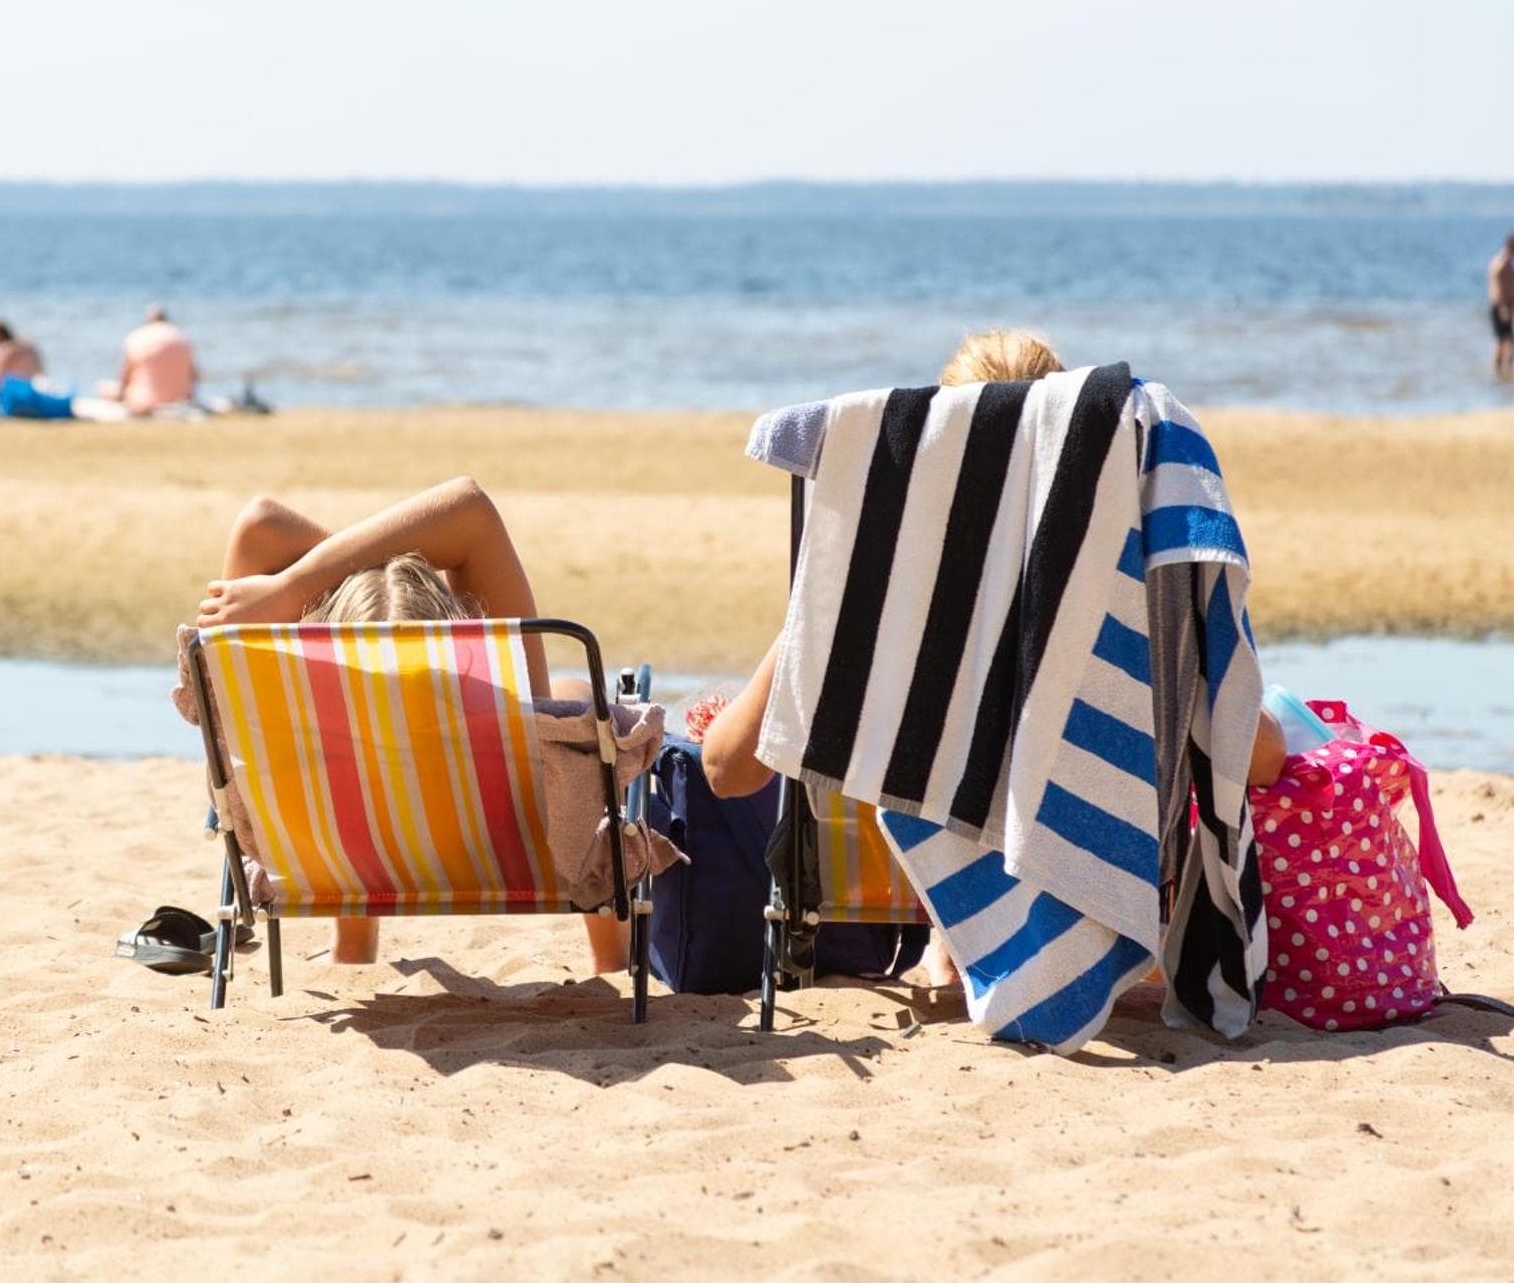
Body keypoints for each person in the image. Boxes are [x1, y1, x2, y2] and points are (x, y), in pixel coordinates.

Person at [700, 330, 1286, 985]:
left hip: (923, 900)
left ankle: (950, 941)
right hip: (1104, 903)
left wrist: (815, 622)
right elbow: (1260, 759)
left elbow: (726, 770)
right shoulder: (1124, 614)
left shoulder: (878, 600)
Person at [187, 476, 631, 975]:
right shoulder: (495, 717)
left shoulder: (296, 728)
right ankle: (612, 959)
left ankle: (353, 944)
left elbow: (260, 525)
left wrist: (297, 592)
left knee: (349, 753)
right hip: (496, 840)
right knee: (574, 700)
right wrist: (303, 585)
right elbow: (468, 507)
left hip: (338, 861)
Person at [95, 305, 199, 415]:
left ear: (149, 320)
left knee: (103, 388)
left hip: (143, 402)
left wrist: (120, 395)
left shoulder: (138, 337)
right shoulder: (182, 338)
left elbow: (125, 377)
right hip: (180, 400)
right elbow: (194, 376)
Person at [1490, 235, 1514, 380]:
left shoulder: (1500, 262)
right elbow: (1498, 289)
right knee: (1503, 341)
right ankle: (1500, 374)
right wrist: (1503, 307)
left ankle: (1501, 375)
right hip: (1502, 307)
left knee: (1504, 340)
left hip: (1504, 306)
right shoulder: (1502, 264)